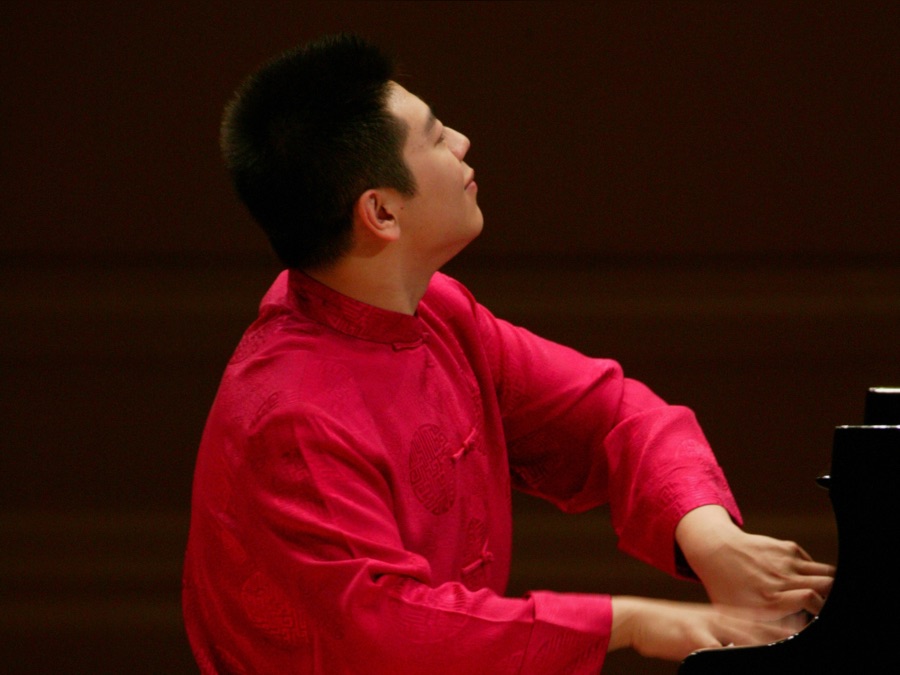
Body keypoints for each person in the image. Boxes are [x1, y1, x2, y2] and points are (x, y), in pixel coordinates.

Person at [182, 33, 834, 673]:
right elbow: (388, 636)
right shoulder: (293, 420)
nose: (463, 142)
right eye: (435, 137)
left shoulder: (438, 311)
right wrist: (633, 620)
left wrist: (710, 537)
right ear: (380, 212)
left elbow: (611, 413)